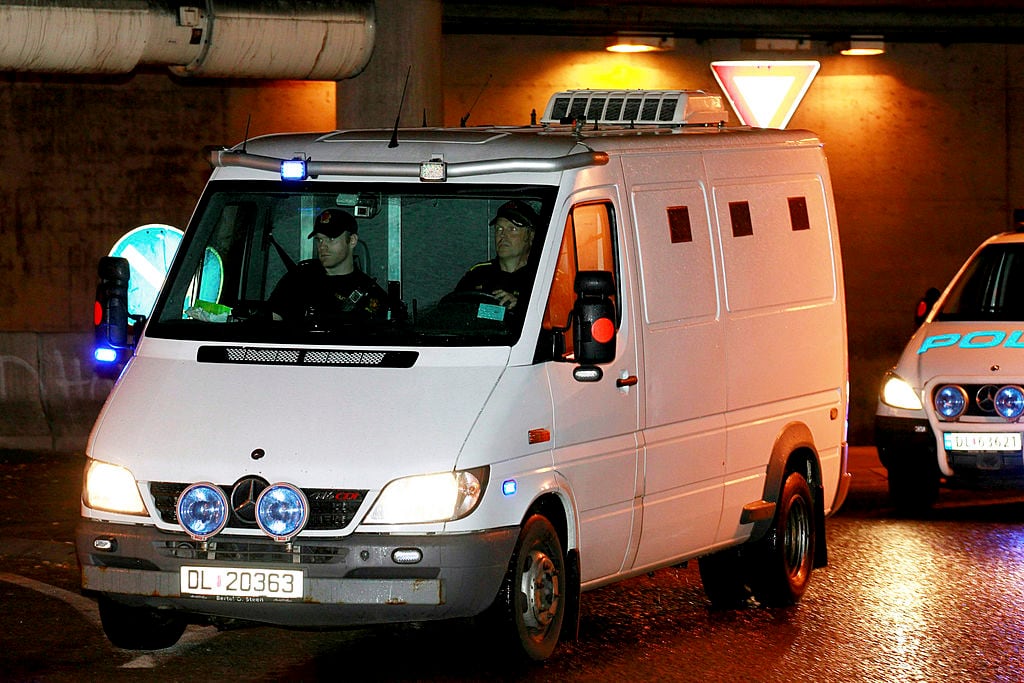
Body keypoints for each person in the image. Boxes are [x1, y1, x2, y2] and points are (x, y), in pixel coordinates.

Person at [269, 208, 388, 322]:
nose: (322, 246)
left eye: (331, 238)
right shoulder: (297, 280)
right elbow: (271, 321)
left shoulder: (371, 295)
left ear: (352, 240)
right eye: (319, 240)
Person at [454, 200, 539, 311]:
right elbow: (451, 309)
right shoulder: (478, 274)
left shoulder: (540, 277)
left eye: (512, 229)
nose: (503, 235)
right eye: (499, 229)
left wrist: (521, 307)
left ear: (531, 236)